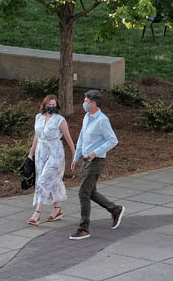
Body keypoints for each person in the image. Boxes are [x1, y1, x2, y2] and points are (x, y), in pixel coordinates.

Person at [69, 90, 124, 240]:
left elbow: (113, 140)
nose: (84, 103)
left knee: (83, 193)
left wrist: (95, 152)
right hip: (86, 161)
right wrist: (76, 156)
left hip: (95, 162)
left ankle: (84, 228)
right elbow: (81, 137)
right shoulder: (87, 117)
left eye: (86, 101)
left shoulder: (102, 120)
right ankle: (115, 209)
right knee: (90, 192)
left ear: (93, 104)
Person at [27, 94, 76, 225]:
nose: (51, 108)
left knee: (43, 180)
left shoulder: (60, 120)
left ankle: (37, 214)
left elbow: (68, 138)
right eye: (49, 105)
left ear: (57, 106)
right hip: (41, 153)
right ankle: (57, 210)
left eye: (53, 106)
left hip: (55, 153)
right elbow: (36, 137)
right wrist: (30, 154)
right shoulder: (39, 117)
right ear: (44, 105)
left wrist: (74, 154)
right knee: (52, 181)